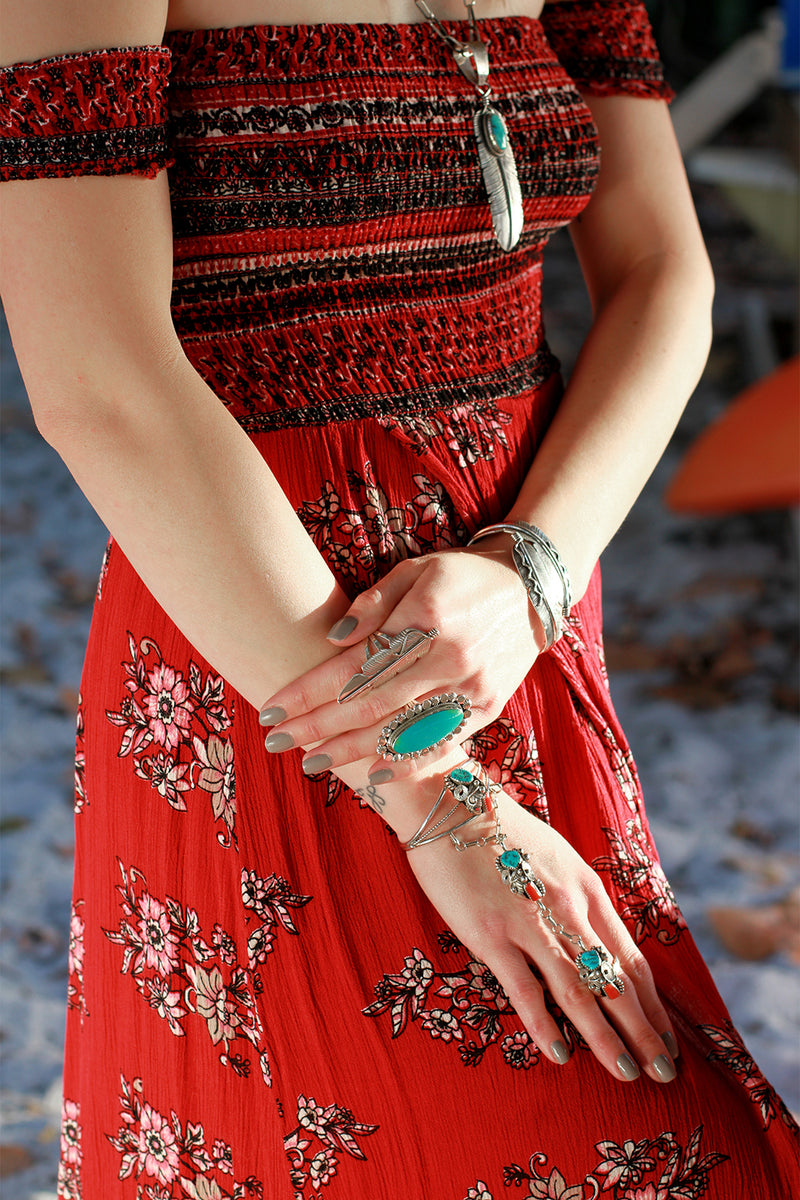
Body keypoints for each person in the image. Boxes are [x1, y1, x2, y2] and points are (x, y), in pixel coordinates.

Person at [1, 0, 797, 1196]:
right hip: (280, 661)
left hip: (520, 636)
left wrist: (527, 573)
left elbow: (660, 274)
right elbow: (98, 375)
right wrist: (436, 796)